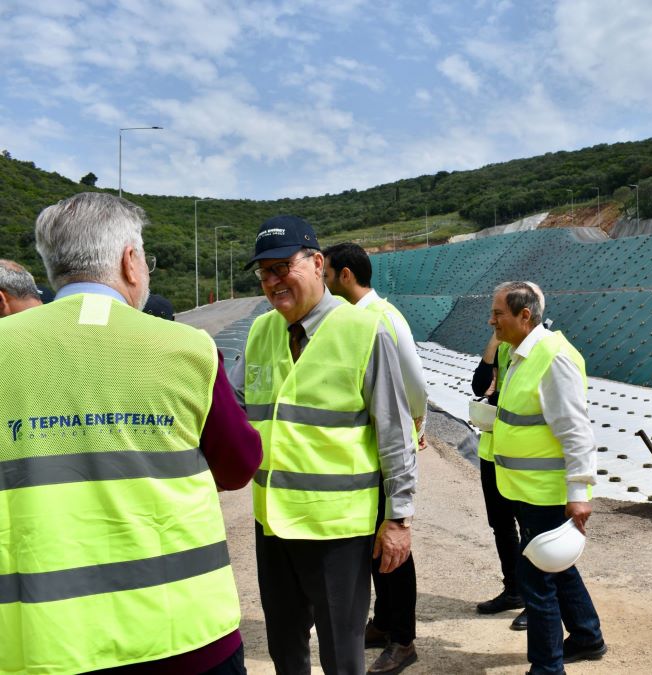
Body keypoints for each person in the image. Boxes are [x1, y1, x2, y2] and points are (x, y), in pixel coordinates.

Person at [0, 192, 262, 674]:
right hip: (181, 635)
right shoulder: (189, 348)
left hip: (38, 642)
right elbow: (239, 466)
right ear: (130, 261)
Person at [234, 216, 417, 675]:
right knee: (285, 648)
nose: (272, 282)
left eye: (282, 268)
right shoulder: (261, 332)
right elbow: (231, 405)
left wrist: (398, 517)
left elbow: (395, 431)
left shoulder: (364, 331)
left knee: (342, 653)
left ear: (318, 264)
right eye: (264, 273)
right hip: (273, 521)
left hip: (336, 528)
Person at [488, 281, 606, 675]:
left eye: (498, 314)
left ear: (525, 315)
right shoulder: (518, 353)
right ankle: (587, 637)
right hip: (525, 488)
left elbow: (576, 431)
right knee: (554, 565)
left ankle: (547, 668)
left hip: (547, 492)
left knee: (535, 579)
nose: (492, 322)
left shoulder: (553, 358)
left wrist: (579, 493)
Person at [323, 242, 426, 674]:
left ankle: (403, 639)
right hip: (364, 457)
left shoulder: (377, 318)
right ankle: (384, 624)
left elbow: (416, 383)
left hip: (384, 453)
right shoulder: (360, 316)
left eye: (326, 273)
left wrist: (413, 425)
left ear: (345, 275)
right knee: (373, 546)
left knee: (392, 547)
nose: (322, 283)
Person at [470, 332, 527, 630]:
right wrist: (491, 344)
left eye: (499, 314)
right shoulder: (502, 347)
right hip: (492, 451)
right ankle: (514, 590)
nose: (493, 322)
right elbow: (480, 386)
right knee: (502, 525)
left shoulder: (537, 352)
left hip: (521, 455)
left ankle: (537, 599)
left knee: (529, 527)